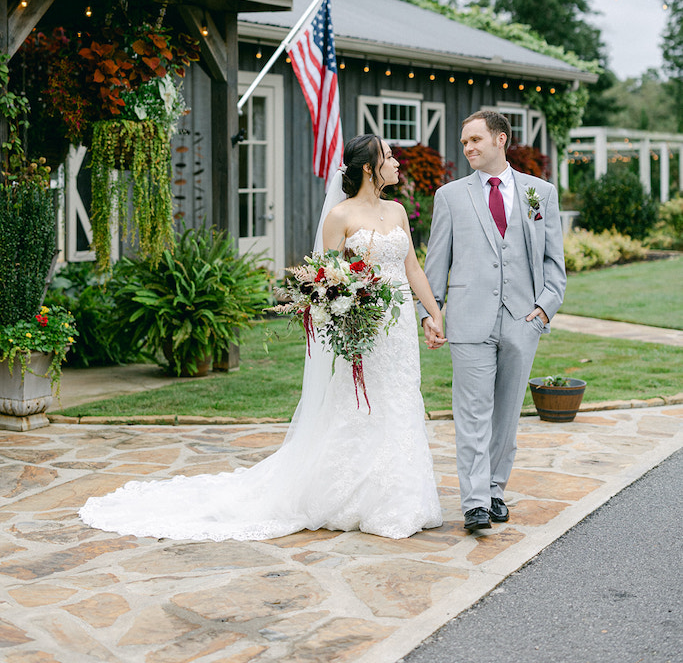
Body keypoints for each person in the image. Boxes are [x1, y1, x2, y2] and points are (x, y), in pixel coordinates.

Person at [79, 134, 444, 541]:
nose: (397, 162)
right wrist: (345, 306)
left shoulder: (397, 212)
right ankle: (348, 495)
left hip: (398, 328)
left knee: (400, 400)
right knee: (360, 404)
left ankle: (401, 497)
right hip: (363, 328)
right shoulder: (339, 217)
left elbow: (412, 268)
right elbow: (326, 280)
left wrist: (433, 313)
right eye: (389, 157)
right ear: (367, 167)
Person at [419, 110, 566, 534]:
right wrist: (431, 312)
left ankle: (495, 489)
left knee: (506, 415)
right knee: (472, 412)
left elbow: (554, 262)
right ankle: (475, 503)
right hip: (469, 322)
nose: (467, 149)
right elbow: (436, 262)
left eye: (475, 140)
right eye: (464, 142)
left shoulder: (541, 193)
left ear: (501, 139)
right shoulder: (450, 196)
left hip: (523, 320)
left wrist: (543, 309)